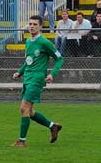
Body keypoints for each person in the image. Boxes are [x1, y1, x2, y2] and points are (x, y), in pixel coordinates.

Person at [12, 15, 64, 147]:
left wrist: (52, 74)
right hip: (27, 78)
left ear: (40, 27)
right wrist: (20, 71)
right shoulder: (29, 41)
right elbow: (28, 61)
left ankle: (22, 141)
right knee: (29, 112)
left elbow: (59, 59)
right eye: (30, 24)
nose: (32, 26)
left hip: (37, 79)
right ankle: (53, 126)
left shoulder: (45, 42)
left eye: (35, 24)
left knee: (23, 108)